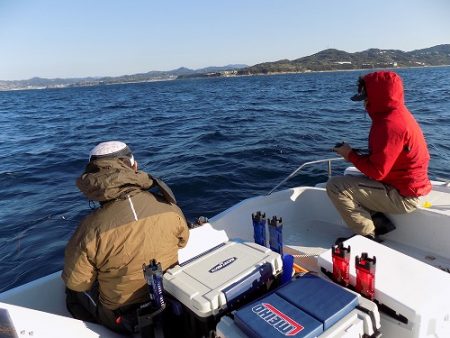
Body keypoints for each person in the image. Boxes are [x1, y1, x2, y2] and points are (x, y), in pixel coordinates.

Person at [62, 141, 189, 333]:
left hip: (122, 318)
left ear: (92, 178)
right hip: (169, 301)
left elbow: (77, 282)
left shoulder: (88, 229)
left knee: (71, 294)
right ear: (135, 167)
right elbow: (183, 241)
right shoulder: (170, 207)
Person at [326, 71, 431, 242]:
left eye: (366, 98)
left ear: (377, 97)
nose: (364, 104)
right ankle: (380, 222)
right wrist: (353, 156)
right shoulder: (398, 115)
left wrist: (350, 154)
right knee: (350, 175)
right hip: (408, 187)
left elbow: (377, 172)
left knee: (335, 186)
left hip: (404, 196)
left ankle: (366, 236)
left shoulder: (389, 125)